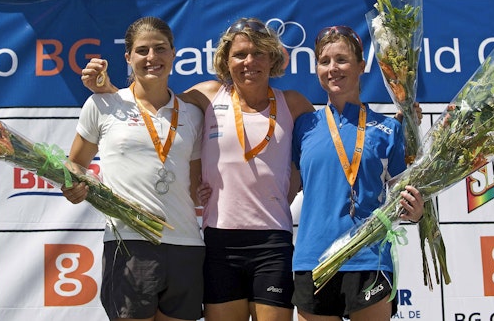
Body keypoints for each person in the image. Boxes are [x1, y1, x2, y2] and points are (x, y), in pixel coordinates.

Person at [82, 17, 315, 321]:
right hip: (219, 241)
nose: (249, 62)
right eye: (240, 55)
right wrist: (110, 90)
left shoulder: (294, 103)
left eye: (258, 53)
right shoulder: (207, 95)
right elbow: (151, 103)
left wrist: (291, 185)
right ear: (226, 61)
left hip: (273, 241)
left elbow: (317, 152)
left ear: (273, 57)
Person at [61, 16, 205, 321]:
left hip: (186, 243)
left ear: (173, 53)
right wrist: (72, 185)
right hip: (129, 242)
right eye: (142, 50)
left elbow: (194, 185)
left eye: (160, 48)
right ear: (128, 57)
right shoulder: (103, 104)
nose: (152, 57)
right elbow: (75, 164)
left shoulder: (193, 114)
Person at [291, 25, 424, 321]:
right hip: (313, 257)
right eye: (324, 61)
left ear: (361, 66)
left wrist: (416, 211)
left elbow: (405, 196)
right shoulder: (303, 126)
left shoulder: (388, 129)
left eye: (342, 60)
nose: (332, 68)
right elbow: (283, 186)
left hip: (369, 258)